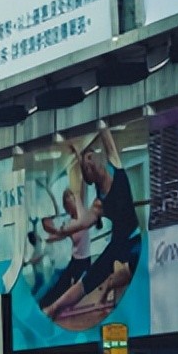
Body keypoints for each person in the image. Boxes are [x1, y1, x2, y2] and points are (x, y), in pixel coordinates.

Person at [43, 126, 140, 320]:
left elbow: (104, 131)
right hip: (120, 242)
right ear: (90, 174)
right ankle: (53, 308)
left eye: (91, 157)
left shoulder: (115, 164)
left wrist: (82, 147)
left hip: (135, 237)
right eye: (87, 164)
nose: (91, 161)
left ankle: (106, 294)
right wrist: (57, 229)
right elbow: (79, 224)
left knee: (131, 272)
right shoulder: (99, 204)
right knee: (86, 282)